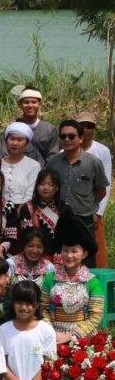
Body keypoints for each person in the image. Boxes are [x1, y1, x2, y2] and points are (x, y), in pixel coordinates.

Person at [46, 119, 108, 267]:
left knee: (86, 260)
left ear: (80, 138)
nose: (67, 139)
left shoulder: (93, 163)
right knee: (59, 260)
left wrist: (92, 209)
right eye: (63, 136)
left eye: (71, 136)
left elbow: (101, 190)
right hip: (58, 219)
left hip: (84, 219)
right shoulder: (53, 162)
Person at [0, 280, 56, 380]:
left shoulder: (46, 330)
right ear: (12, 303)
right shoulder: (3, 330)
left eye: (29, 303)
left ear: (37, 304)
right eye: (19, 303)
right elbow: (0, 363)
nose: (24, 308)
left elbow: (49, 363)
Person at [40, 213, 104, 343]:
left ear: (84, 253)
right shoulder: (50, 279)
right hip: (54, 337)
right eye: (65, 250)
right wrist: (51, 333)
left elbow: (96, 315)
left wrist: (71, 336)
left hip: (83, 339)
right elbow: (43, 308)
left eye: (74, 251)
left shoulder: (92, 282)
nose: (69, 255)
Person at [76, 111, 110, 267]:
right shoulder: (65, 151)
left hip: (93, 210)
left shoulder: (102, 151)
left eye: (89, 126)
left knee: (96, 251)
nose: (85, 129)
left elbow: (105, 184)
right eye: (82, 126)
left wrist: (98, 212)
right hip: (73, 210)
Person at [17, 169, 71, 260]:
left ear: (57, 188)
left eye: (50, 184)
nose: (45, 187)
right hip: (34, 253)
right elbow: (27, 235)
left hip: (59, 255)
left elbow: (68, 235)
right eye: (42, 184)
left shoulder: (65, 208)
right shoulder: (27, 207)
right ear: (37, 186)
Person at [8, 86, 59, 163]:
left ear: (40, 104)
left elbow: (53, 158)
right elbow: (5, 154)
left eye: (34, 102)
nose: (30, 106)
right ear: (20, 105)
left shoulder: (50, 130)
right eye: (26, 102)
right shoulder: (12, 128)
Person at [0, 122, 41, 205]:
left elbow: (30, 194)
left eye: (19, 140)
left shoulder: (34, 166)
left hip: (23, 209)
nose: (15, 143)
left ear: (26, 143)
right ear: (6, 141)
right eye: (12, 139)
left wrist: (21, 209)